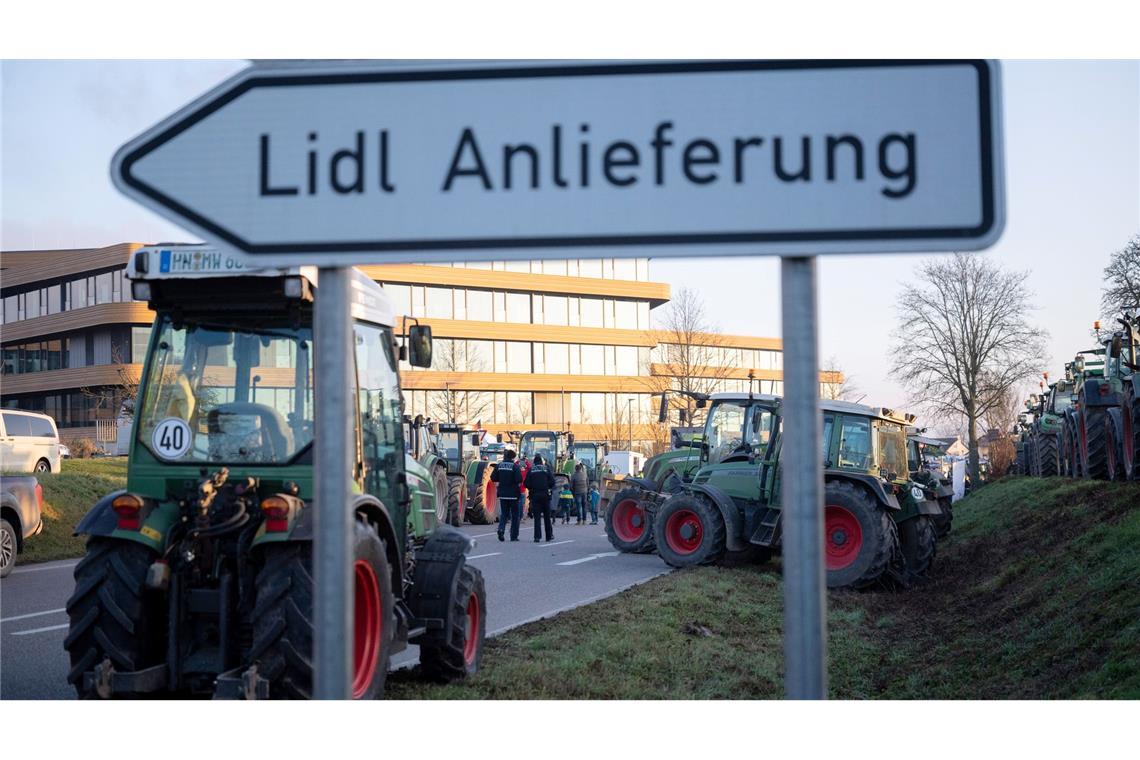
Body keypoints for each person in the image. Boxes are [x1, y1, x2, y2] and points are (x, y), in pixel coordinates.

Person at [491, 449, 523, 542]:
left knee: (504, 514)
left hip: (503, 494)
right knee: (515, 515)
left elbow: (493, 477)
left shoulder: (499, 465)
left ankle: (501, 529)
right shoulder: (515, 466)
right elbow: (519, 480)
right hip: (513, 494)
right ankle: (514, 536)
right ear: (513, 457)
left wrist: (501, 479)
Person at [525, 453, 556, 542]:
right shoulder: (546, 469)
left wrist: (532, 487)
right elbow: (553, 482)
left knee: (537, 518)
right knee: (547, 517)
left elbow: (526, 483)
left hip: (535, 496)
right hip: (545, 495)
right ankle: (549, 536)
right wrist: (547, 486)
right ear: (542, 462)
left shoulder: (531, 470)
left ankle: (537, 537)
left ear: (534, 462)